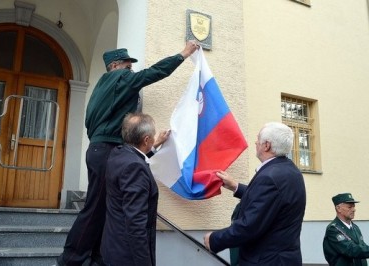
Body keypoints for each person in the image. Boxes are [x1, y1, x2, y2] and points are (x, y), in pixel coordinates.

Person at [57, 41, 199, 266]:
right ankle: (70, 259)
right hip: (106, 151)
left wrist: (150, 149)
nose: (131, 71)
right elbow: (152, 73)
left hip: (99, 149)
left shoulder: (100, 89)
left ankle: (95, 258)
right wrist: (184, 54)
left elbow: (91, 124)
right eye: (127, 66)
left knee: (104, 207)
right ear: (114, 66)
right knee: (94, 209)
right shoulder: (118, 78)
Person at [203, 122, 306, 265]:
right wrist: (236, 187)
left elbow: (250, 225)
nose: (255, 142)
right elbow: (272, 201)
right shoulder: (290, 171)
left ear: (267, 145)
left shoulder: (269, 177)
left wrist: (215, 239)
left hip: (266, 260)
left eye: (258, 138)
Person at [102, 112, 159, 266]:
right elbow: (135, 223)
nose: (154, 139)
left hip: (113, 247)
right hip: (127, 256)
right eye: (153, 136)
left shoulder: (117, 154)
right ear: (146, 139)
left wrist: (155, 146)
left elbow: (137, 157)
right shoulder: (135, 168)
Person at [323, 193, 369, 266]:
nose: (354, 210)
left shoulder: (355, 227)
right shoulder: (333, 229)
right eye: (349, 207)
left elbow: (362, 247)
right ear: (338, 208)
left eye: (354, 207)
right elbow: (351, 250)